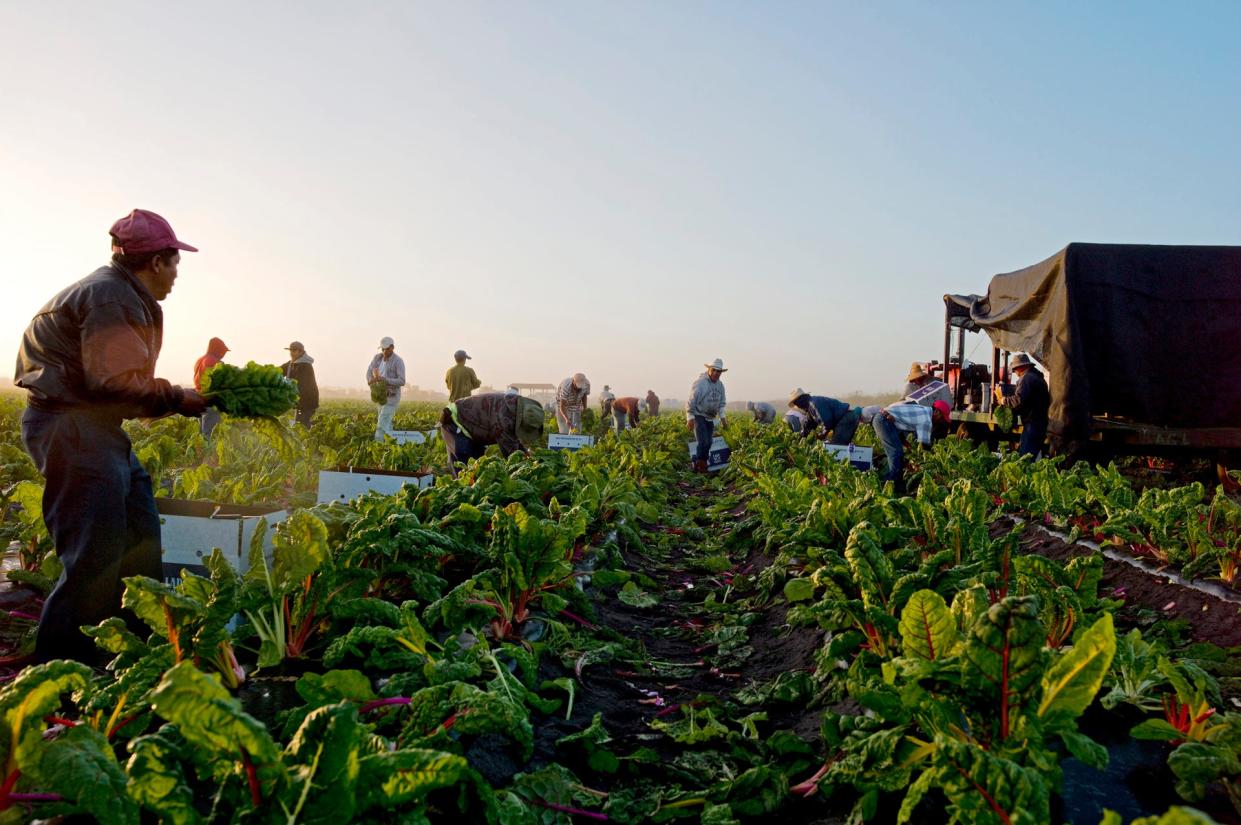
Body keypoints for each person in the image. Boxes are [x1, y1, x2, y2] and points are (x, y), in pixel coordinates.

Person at [13, 208, 206, 664]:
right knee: (93, 558)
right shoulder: (110, 298)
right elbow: (113, 383)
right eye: (174, 261)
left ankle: (133, 654)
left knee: (140, 539)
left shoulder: (117, 292)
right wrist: (180, 398)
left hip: (94, 428)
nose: (177, 272)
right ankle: (59, 677)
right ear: (155, 262)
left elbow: (113, 389)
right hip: (73, 429)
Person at [440, 392, 545, 476]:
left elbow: (514, 442)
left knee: (478, 466)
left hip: (474, 426)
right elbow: (512, 455)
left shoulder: (515, 404)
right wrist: (529, 468)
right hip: (454, 421)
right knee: (463, 468)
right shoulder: (504, 420)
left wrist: (527, 455)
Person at [869, 399, 951, 492]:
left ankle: (892, 482)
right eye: (942, 417)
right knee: (896, 453)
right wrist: (931, 460)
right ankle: (892, 484)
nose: (941, 421)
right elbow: (923, 446)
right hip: (883, 420)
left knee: (897, 452)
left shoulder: (923, 409)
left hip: (885, 418)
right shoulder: (926, 420)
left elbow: (900, 424)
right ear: (937, 412)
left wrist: (906, 444)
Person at [994, 353, 1050, 458]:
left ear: (1021, 367)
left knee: (1024, 459)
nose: (1015, 373)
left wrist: (1003, 400)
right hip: (1040, 423)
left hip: (1033, 423)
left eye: (1015, 369)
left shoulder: (1027, 379)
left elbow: (1018, 400)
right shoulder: (1037, 377)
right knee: (1030, 457)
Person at [686, 358, 727, 473]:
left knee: (709, 442)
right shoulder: (701, 383)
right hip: (699, 415)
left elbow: (722, 403)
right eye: (713, 370)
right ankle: (701, 466)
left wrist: (723, 418)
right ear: (709, 369)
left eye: (718, 371)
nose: (715, 373)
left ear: (721, 373)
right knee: (702, 442)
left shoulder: (720, 386)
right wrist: (690, 417)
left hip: (710, 417)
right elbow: (691, 401)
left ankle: (698, 462)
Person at [787, 390, 862, 444]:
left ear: (801, 400)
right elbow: (809, 425)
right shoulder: (810, 407)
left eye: (796, 403)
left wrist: (822, 435)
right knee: (838, 446)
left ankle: (843, 465)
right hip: (845, 419)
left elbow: (827, 422)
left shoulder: (814, 404)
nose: (798, 406)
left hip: (847, 418)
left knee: (836, 446)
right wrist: (802, 437)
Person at [367, 336, 406, 440]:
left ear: (392, 347)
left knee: (382, 422)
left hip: (392, 397)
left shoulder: (398, 361)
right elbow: (369, 371)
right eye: (382, 349)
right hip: (380, 396)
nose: (384, 351)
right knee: (386, 423)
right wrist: (371, 380)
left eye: (386, 349)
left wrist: (385, 379)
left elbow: (402, 381)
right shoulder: (377, 358)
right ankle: (390, 444)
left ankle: (378, 446)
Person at [193, 337, 229, 437]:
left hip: (198, 400)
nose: (223, 355)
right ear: (217, 349)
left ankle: (201, 452)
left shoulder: (200, 360)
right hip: (210, 402)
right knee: (210, 435)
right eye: (223, 351)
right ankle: (207, 452)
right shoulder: (214, 362)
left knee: (202, 433)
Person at [281, 341, 319, 427]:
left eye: (294, 351)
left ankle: (315, 430)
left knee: (301, 425)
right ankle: (314, 427)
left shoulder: (305, 366)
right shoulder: (291, 364)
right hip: (299, 401)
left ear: (301, 352)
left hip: (307, 401)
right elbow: (279, 370)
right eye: (291, 351)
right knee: (300, 423)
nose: (291, 353)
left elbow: (302, 386)